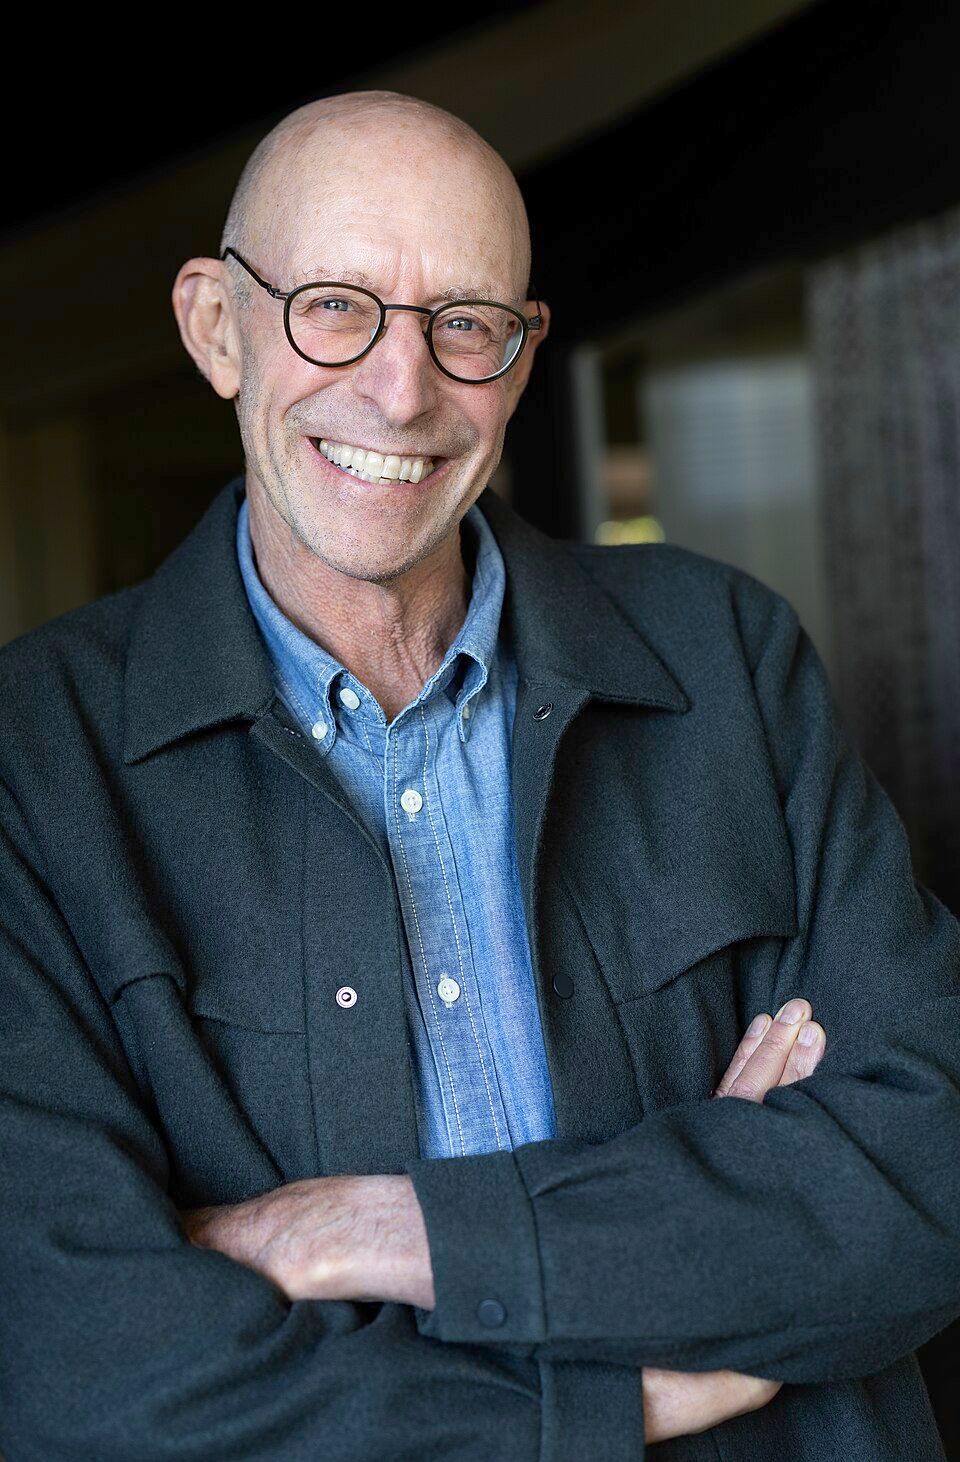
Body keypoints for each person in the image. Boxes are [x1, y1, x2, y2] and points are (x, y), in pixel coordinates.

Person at [1, 90, 958, 1462]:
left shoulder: (724, 657)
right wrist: (614, 1384)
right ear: (216, 326)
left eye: (467, 323)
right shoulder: (34, 761)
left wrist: (383, 1231)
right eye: (335, 305)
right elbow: (75, 1366)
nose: (403, 389)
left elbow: (932, 1167)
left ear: (524, 355)